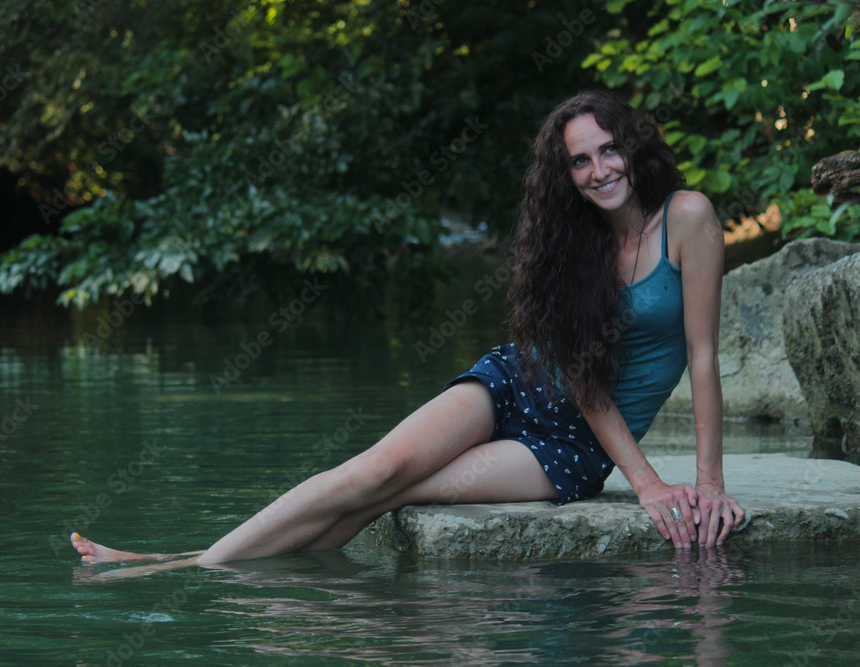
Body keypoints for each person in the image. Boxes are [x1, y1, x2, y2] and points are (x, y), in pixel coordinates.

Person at [72, 90, 745, 571]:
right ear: (564, 175)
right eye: (580, 161)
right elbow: (576, 370)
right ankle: (189, 561)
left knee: (400, 489)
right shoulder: (575, 245)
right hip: (518, 380)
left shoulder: (687, 217)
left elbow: (704, 357)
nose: (599, 171)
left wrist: (698, 483)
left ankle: (178, 565)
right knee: (375, 469)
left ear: (632, 146)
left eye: (608, 151)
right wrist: (652, 486)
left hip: (571, 447)